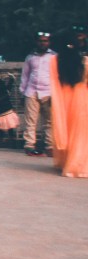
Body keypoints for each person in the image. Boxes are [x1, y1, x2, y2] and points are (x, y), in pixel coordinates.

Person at [49, 30, 88, 178]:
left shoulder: (55, 60)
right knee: (80, 134)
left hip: (63, 98)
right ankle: (78, 164)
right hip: (81, 98)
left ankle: (66, 161)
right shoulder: (84, 60)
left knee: (66, 128)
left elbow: (53, 82)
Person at [20, 31, 55, 156]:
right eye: (41, 41)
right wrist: (23, 92)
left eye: (45, 41)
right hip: (32, 91)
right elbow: (25, 75)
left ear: (49, 42)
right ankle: (29, 145)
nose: (43, 43)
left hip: (48, 92)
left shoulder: (54, 57)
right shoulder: (30, 57)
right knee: (31, 120)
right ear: (36, 42)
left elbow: (57, 76)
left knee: (50, 121)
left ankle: (50, 146)